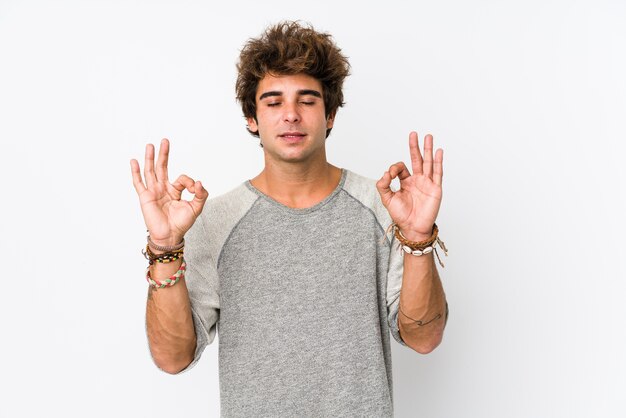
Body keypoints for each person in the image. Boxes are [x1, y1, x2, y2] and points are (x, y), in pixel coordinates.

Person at [130, 21, 448, 417]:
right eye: (274, 101)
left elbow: (423, 337)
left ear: (330, 115)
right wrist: (164, 248)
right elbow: (173, 357)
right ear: (252, 118)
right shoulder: (214, 221)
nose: (291, 115)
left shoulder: (383, 208)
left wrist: (417, 237)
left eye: (308, 100)